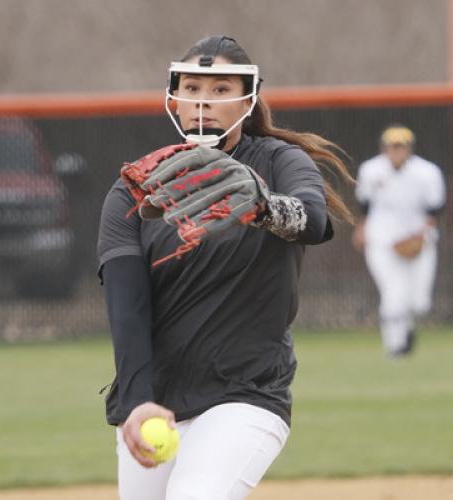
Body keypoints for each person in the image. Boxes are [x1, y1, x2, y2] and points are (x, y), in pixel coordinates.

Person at [97, 35, 353, 500]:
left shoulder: (278, 162)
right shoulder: (133, 189)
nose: (203, 103)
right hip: (159, 399)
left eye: (220, 90)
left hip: (247, 393)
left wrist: (261, 206)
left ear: (248, 99)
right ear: (173, 100)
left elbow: (314, 222)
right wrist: (137, 402)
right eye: (192, 88)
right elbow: (126, 306)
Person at [352, 125, 446, 358]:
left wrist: (421, 233)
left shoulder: (427, 172)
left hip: (418, 239)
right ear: (384, 148)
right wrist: (361, 230)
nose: (396, 151)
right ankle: (396, 347)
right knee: (393, 294)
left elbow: (435, 208)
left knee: (419, 302)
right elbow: (365, 205)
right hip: (382, 239)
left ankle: (408, 329)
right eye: (392, 146)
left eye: (400, 146)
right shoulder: (371, 170)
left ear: (409, 148)